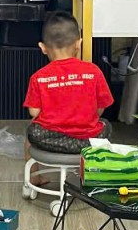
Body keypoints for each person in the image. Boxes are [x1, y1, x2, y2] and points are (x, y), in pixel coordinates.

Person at [23, 13, 113, 184]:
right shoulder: (94, 72)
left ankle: (34, 177)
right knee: (106, 125)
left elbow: (34, 112)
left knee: (31, 129)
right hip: (87, 140)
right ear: (78, 43)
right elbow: (100, 108)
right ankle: (93, 177)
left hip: (48, 138)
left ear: (43, 47)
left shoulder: (38, 77)